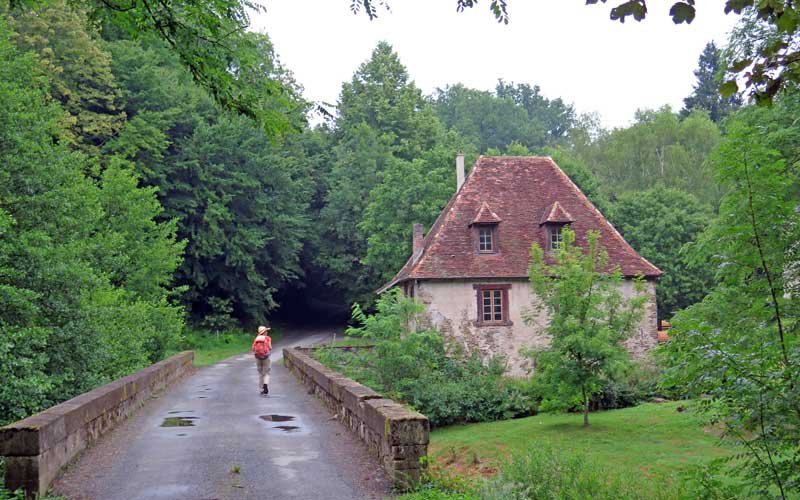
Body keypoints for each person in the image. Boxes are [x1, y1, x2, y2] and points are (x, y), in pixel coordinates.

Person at [252, 326, 272, 395]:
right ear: (264, 332)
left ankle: (262, 388)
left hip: (258, 357)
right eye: (266, 331)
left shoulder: (256, 338)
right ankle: (265, 384)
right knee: (266, 373)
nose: (267, 332)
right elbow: (270, 347)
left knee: (260, 373)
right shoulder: (268, 338)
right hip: (266, 357)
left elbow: (253, 348)